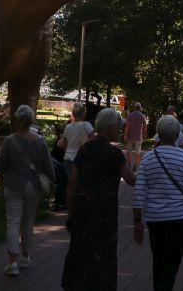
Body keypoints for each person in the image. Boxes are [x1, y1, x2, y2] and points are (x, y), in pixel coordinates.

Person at [61, 108, 136, 290]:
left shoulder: (85, 150)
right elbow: (131, 179)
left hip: (83, 208)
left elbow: (72, 184)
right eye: (118, 126)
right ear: (109, 127)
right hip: (105, 212)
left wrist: (70, 211)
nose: (119, 129)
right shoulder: (115, 154)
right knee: (104, 251)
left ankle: (77, 283)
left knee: (80, 248)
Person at [133, 115, 183, 290]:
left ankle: (160, 286)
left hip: (155, 219)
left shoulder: (148, 159)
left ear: (158, 133)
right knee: (173, 260)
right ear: (177, 134)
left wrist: (137, 222)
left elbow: (139, 192)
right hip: (178, 218)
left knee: (158, 258)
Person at [0, 104, 55, 277]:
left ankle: (12, 263)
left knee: (13, 222)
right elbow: (49, 167)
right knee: (28, 223)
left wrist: (2, 174)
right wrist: (51, 182)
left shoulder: (9, 141)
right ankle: (25, 257)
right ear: (31, 120)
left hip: (13, 186)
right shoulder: (40, 141)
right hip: (34, 187)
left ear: (17, 120)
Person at [59, 102, 95, 178]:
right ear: (83, 113)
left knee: (70, 184)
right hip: (81, 160)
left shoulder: (68, 127)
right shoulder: (86, 125)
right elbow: (93, 142)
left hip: (68, 159)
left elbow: (64, 144)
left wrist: (69, 152)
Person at [124, 102, 147, 171]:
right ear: (140, 108)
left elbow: (127, 127)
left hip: (130, 137)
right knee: (138, 153)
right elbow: (145, 127)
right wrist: (144, 135)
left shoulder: (130, 115)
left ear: (134, 107)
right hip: (138, 137)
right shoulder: (142, 116)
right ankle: (137, 167)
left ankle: (130, 166)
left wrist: (125, 135)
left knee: (129, 152)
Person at [50, 123, 69, 211]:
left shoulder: (61, 139)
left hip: (58, 165)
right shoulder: (63, 138)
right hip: (59, 165)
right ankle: (61, 202)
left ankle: (60, 202)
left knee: (61, 182)